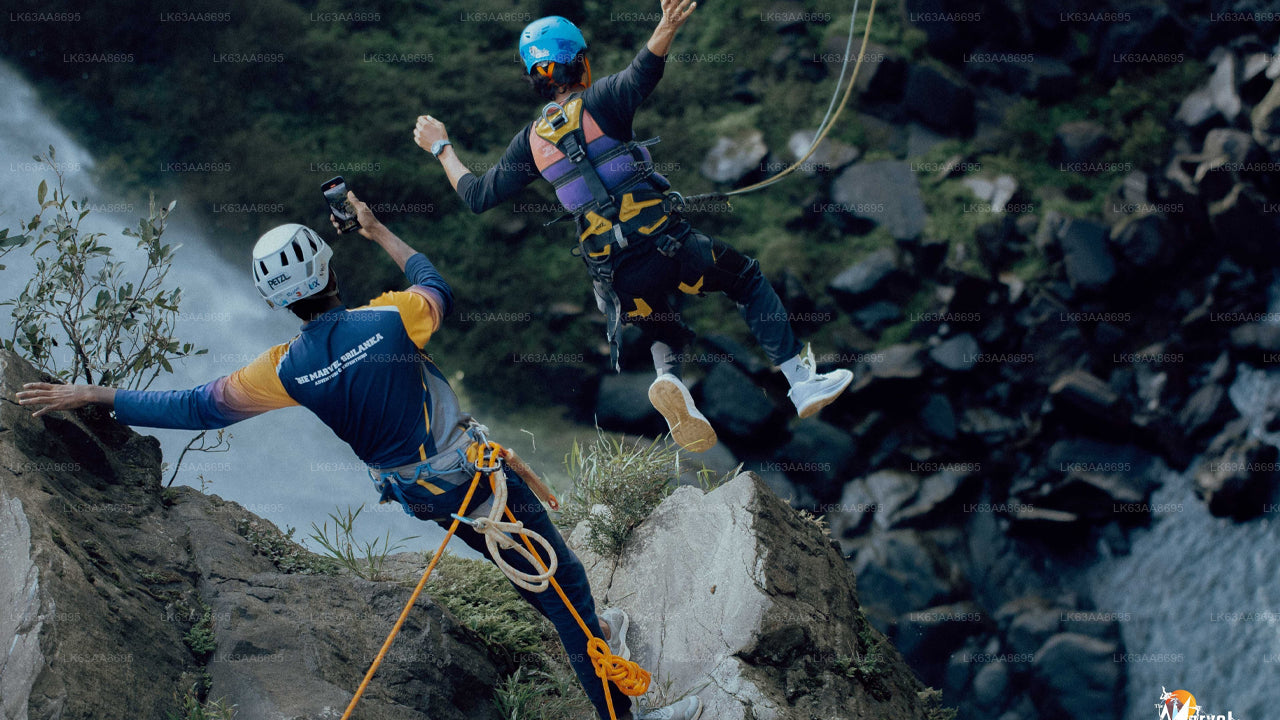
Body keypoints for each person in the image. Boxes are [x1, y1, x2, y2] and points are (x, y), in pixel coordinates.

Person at [16, 194, 701, 720]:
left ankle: (580, 624)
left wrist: (98, 392)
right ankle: (606, 674)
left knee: (532, 572)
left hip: (426, 498)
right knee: (568, 591)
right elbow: (436, 281)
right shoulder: (392, 318)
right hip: (477, 481)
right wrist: (376, 229)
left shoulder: (284, 370)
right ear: (330, 270)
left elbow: (195, 405)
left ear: (274, 299)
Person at [413, 0, 853, 454]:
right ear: (577, 61)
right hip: (670, 247)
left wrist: (441, 146)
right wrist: (667, 25)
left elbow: (477, 195)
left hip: (617, 278)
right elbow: (644, 70)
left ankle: (669, 382)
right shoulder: (602, 101)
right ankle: (801, 384)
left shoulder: (528, 143)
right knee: (745, 279)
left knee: (666, 327)